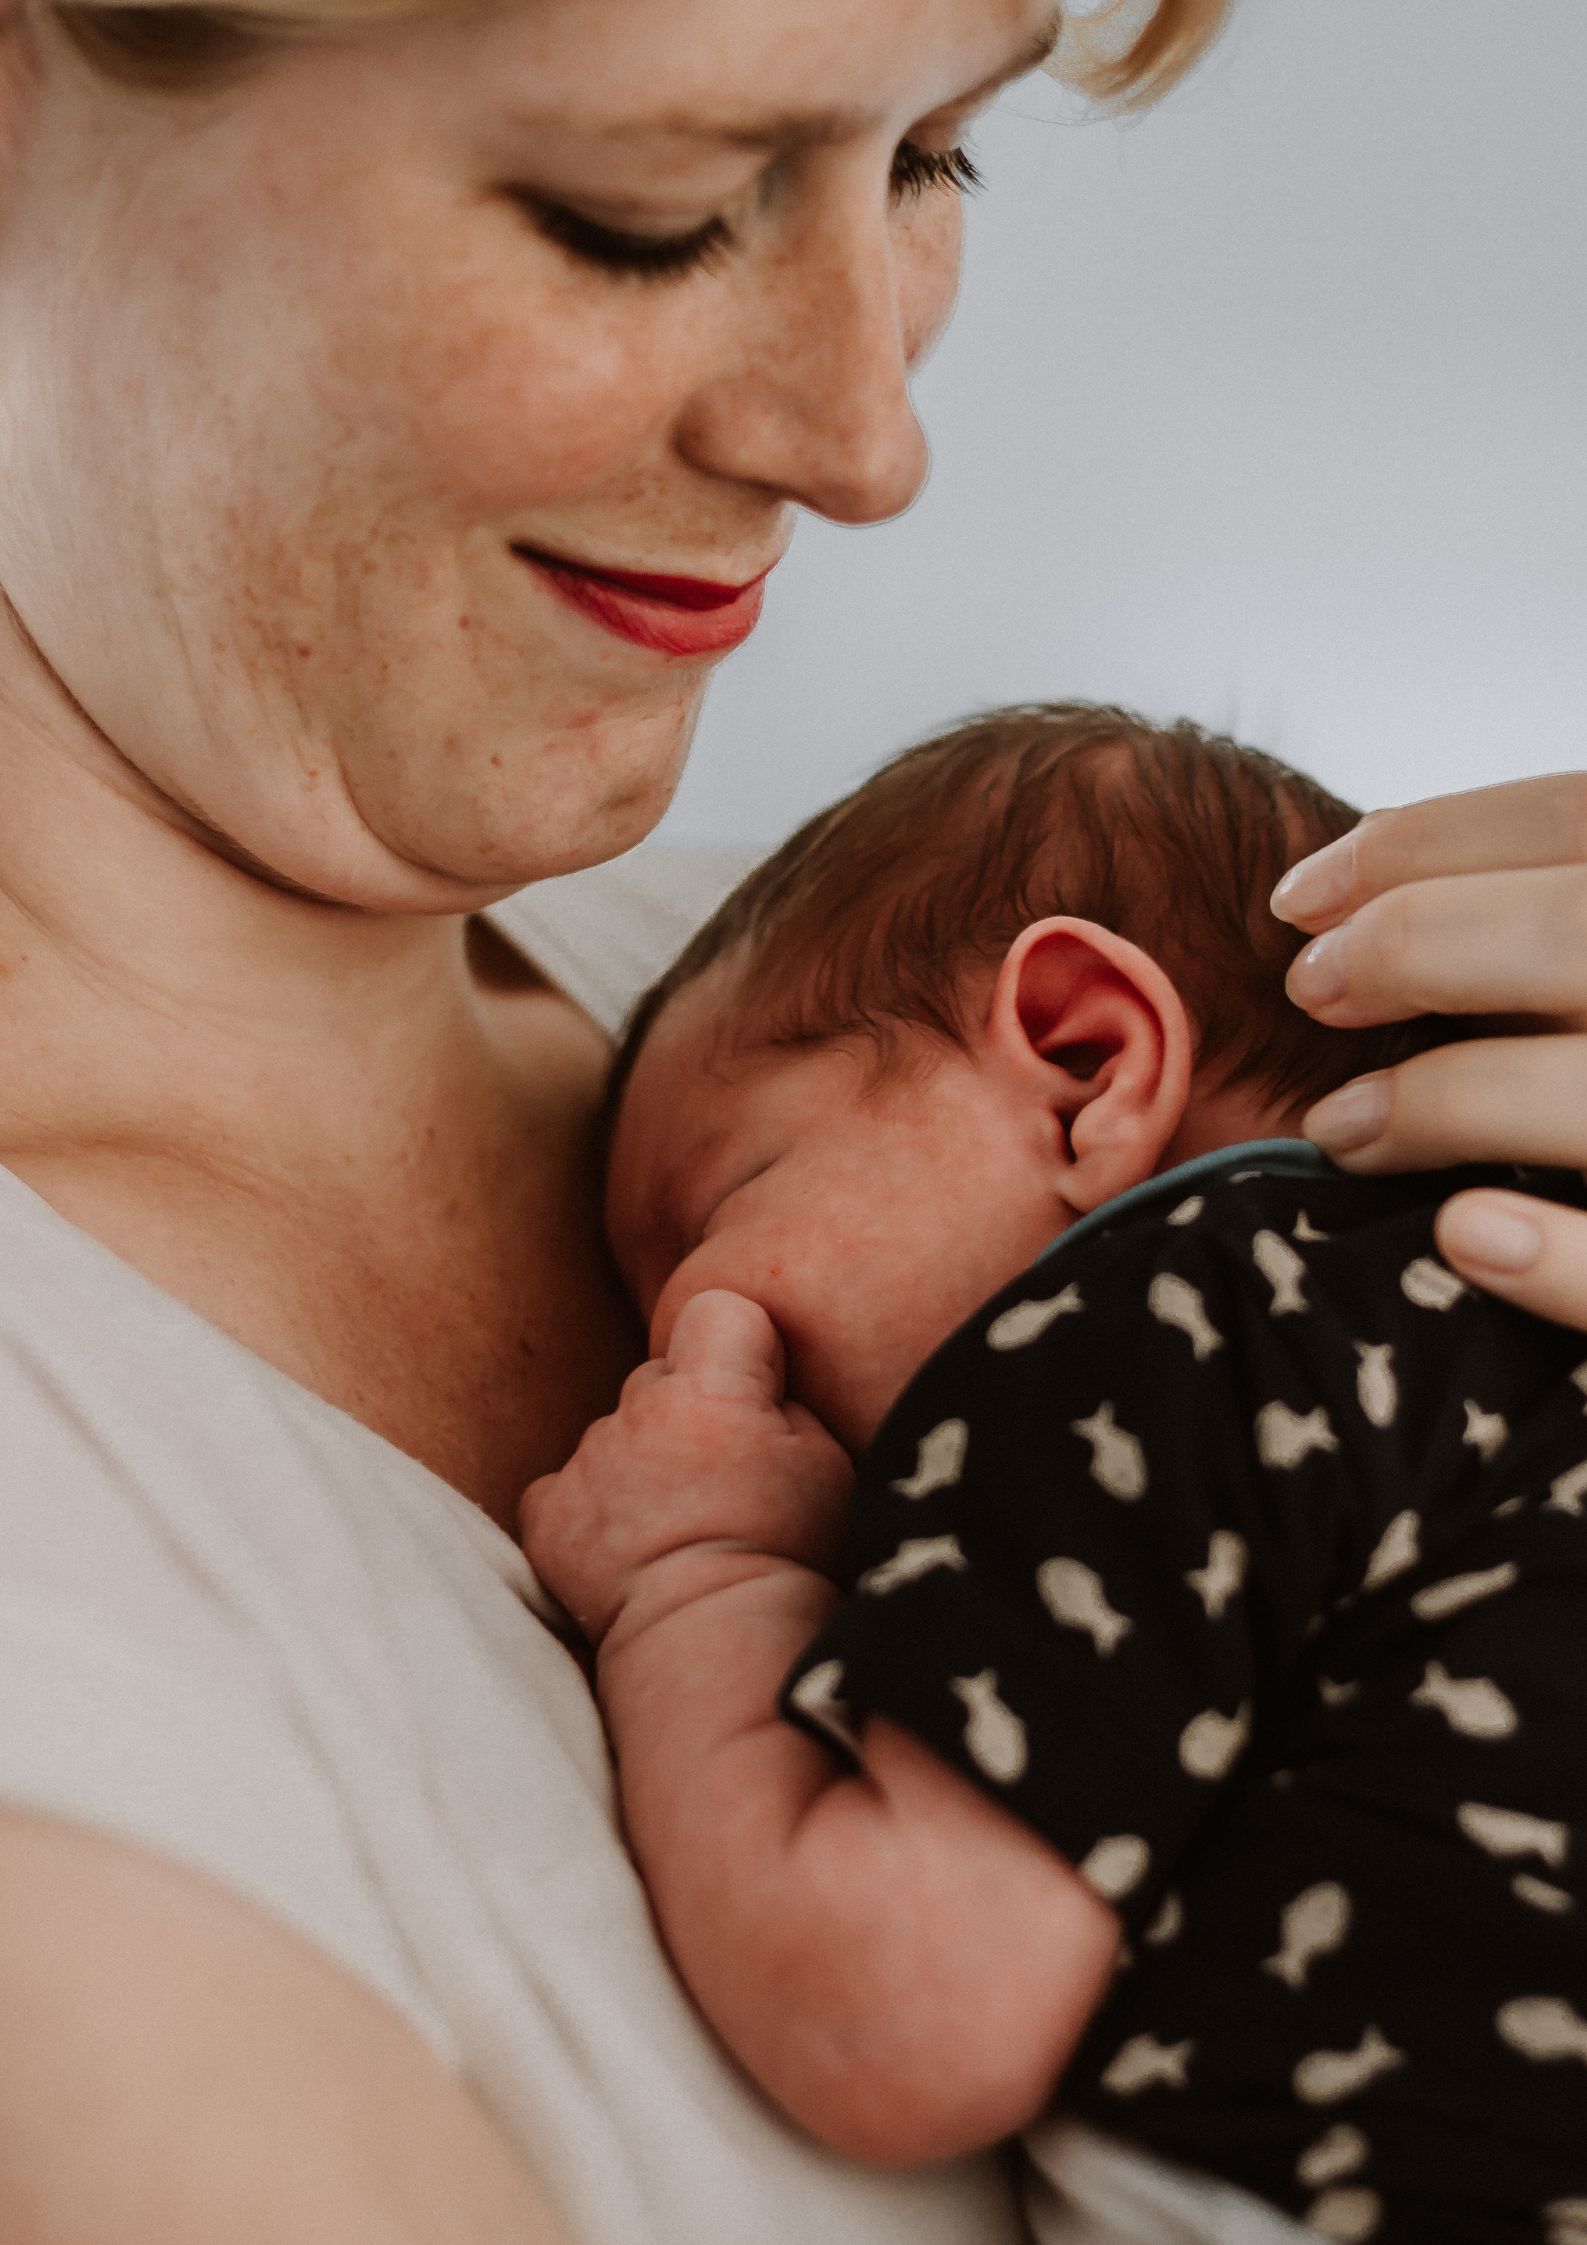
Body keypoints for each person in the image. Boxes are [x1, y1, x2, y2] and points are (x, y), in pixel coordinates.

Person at [0, 0, 1583, 2236]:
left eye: (934, 157)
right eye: (641, 211)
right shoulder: (66, 1596)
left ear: (1081, 1051)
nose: (866, 439)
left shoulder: (848, 984)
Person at [522, 707, 1587, 2245]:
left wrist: (701, 1573)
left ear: (1085, 1065)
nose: (678, 1352)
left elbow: (895, 2013)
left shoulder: (1155, 1315)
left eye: (721, 1206)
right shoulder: (1487, 1349)